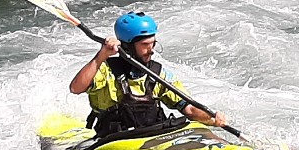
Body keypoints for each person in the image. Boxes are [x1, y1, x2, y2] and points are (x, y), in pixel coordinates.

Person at [68, 12, 227, 137]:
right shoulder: (105, 70)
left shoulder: (157, 74)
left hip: (154, 136)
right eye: (144, 45)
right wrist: (102, 55)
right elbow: (76, 88)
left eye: (153, 44)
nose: (151, 50)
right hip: (115, 140)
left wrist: (211, 118)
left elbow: (189, 108)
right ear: (128, 46)